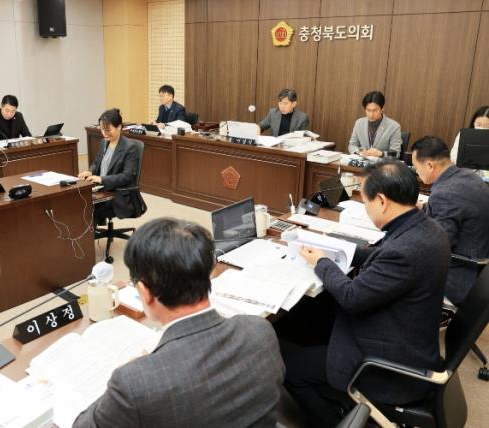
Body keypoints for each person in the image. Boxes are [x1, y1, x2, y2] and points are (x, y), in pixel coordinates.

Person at [283, 160, 450, 428]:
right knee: (314, 317)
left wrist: (322, 262)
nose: (366, 207)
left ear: (381, 201)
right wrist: (342, 250)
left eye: (366, 201)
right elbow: (384, 255)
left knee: (291, 369)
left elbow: (351, 297)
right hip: (411, 337)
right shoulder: (425, 227)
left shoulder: (405, 251)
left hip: (388, 365)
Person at [73, 218, 285, 427]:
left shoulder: (133, 383)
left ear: (144, 292)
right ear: (208, 273)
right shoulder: (260, 330)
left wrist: (131, 374)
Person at [412, 136, 489, 305]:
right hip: (479, 268)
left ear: (430, 165)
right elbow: (456, 211)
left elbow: (438, 247)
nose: (416, 172)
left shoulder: (446, 192)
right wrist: (422, 208)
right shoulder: (468, 176)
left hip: (457, 277)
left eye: (416, 167)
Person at [78, 108, 140, 224]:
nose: (104, 133)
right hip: (101, 188)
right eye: (102, 129)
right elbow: (97, 163)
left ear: (119, 127)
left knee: (86, 206)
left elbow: (127, 177)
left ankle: (89, 234)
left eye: (108, 130)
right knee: (77, 199)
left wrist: (101, 179)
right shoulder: (104, 142)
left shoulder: (130, 148)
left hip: (117, 194)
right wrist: (90, 172)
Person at [347, 91, 402, 158]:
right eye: (368, 110)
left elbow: (396, 154)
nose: (371, 114)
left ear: (382, 109)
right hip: (362, 161)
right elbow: (351, 145)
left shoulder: (394, 127)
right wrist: (359, 151)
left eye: (375, 110)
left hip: (382, 163)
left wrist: (381, 154)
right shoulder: (359, 123)